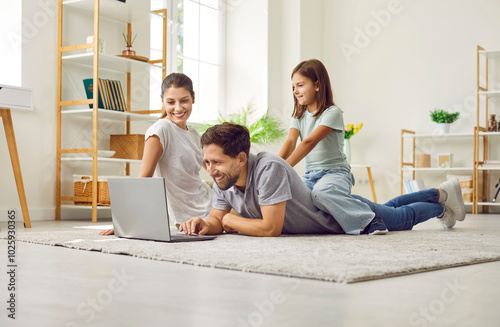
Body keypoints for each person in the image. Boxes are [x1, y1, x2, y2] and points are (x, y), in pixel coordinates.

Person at [179, 122, 466, 237]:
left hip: (338, 218)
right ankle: (440, 193)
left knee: (400, 218)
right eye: (207, 162)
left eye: (216, 162)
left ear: (241, 158)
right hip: (338, 209)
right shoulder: (224, 180)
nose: (210, 169)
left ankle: (441, 205)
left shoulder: (268, 169)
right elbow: (218, 218)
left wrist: (229, 221)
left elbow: (270, 228)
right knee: (389, 206)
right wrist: (205, 223)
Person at [278, 58, 386, 234]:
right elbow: (290, 142)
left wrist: (285, 167)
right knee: (291, 198)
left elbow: (309, 142)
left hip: (335, 173)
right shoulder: (298, 116)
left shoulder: (332, 113)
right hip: (310, 175)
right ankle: (337, 219)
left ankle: (370, 218)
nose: (295, 91)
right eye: (293, 87)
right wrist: (276, 164)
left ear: (317, 86)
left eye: (300, 85)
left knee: (321, 194)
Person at [99, 73, 212, 235]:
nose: (178, 108)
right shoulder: (160, 131)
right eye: (171, 102)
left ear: (193, 97)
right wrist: (126, 222)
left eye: (184, 100)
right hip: (189, 215)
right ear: (162, 101)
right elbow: (143, 179)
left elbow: (212, 167)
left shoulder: (193, 132)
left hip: (209, 201)